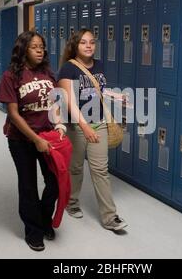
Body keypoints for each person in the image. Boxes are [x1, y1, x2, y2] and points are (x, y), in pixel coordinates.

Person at [0, 31, 66, 252]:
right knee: (28, 186)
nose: (40, 50)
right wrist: (35, 139)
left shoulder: (47, 72)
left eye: (42, 47)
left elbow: (56, 101)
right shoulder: (11, 76)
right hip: (21, 140)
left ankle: (44, 219)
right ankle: (33, 231)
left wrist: (59, 124)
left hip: (47, 138)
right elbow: (14, 115)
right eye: (34, 46)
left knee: (54, 183)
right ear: (23, 49)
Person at [57, 28, 128, 232]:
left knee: (100, 170)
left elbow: (100, 89)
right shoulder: (68, 69)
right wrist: (84, 127)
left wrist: (117, 96)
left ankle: (109, 217)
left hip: (100, 122)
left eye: (92, 42)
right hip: (77, 126)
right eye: (83, 42)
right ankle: (71, 204)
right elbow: (70, 101)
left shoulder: (98, 65)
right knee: (76, 167)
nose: (89, 46)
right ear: (75, 46)